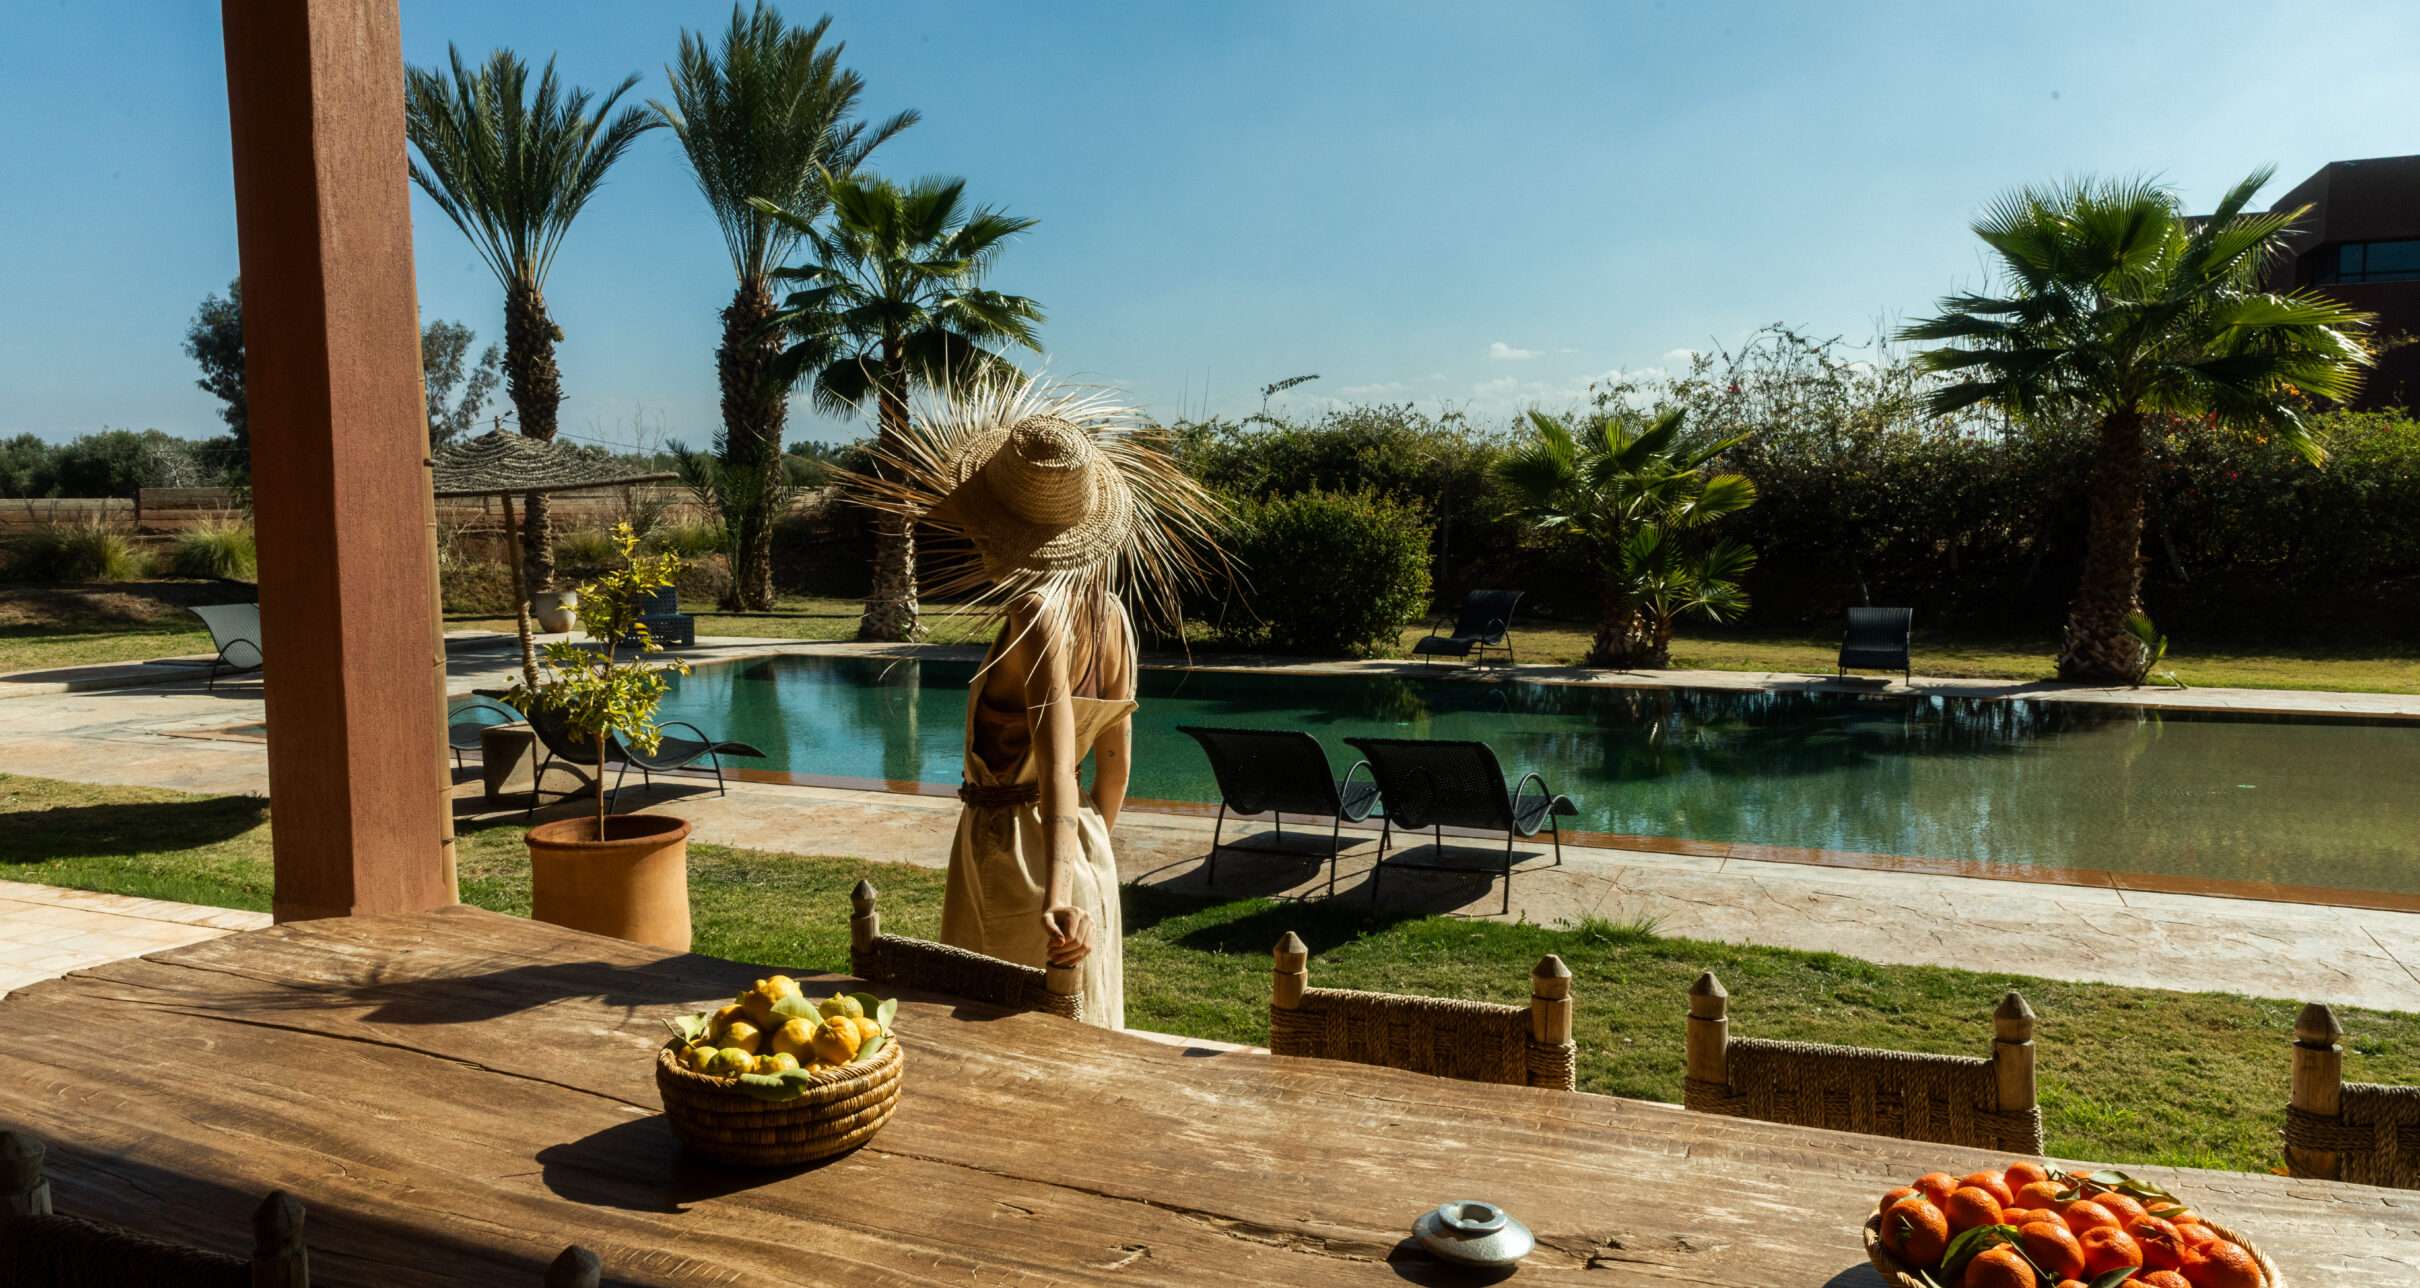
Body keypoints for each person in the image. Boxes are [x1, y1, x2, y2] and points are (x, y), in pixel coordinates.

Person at [846, 380, 1223, 1029]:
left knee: (1003, 1033)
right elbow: (1114, 771)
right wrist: (1080, 864)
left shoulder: (1034, 612)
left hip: (1014, 855)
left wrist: (1056, 892)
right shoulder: (1112, 617)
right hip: (1085, 850)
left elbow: (1054, 769)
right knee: (1082, 1027)